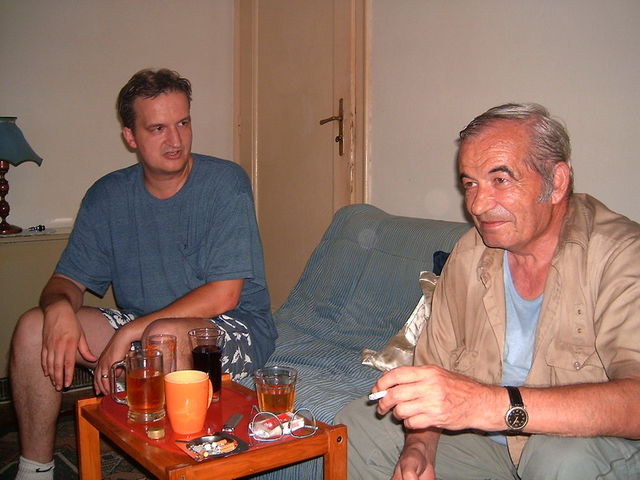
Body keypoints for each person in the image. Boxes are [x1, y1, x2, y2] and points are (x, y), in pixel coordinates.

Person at [335, 103, 640, 479]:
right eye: (470, 184)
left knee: (558, 457)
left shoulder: (621, 255)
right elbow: (433, 371)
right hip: (490, 447)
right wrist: (420, 448)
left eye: (500, 180)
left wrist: (491, 405)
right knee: (358, 426)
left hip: (586, 445)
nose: (477, 205)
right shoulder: (470, 253)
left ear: (557, 182)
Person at [9, 68, 277, 480]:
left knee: (161, 336)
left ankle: (184, 466)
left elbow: (225, 294)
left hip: (231, 327)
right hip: (145, 325)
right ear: (130, 136)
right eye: (157, 128)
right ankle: (35, 470)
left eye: (183, 123)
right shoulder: (107, 196)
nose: (176, 140)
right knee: (33, 326)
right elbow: (66, 282)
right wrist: (59, 306)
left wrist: (131, 332)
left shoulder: (225, 183)